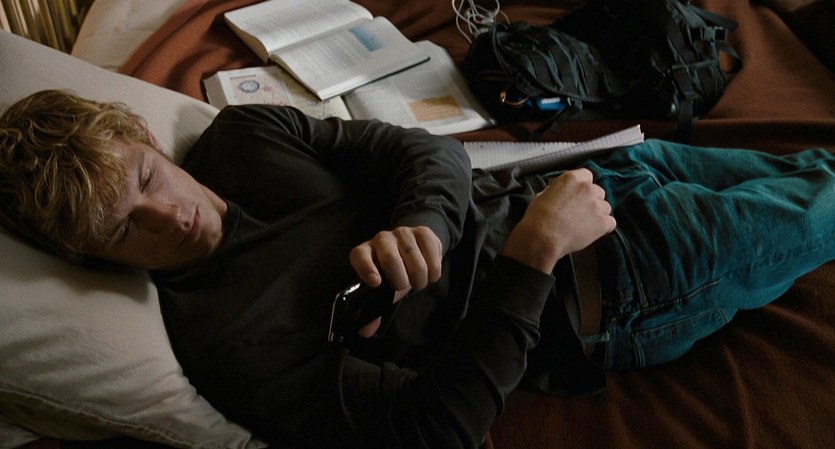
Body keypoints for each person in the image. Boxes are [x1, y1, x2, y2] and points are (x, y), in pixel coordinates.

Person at [2, 89, 835, 448]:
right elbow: (435, 431)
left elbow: (419, 148)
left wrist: (421, 220)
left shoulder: (242, 137)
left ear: (146, 139)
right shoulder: (223, 341)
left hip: (598, 176)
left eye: (147, 180)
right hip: (625, 283)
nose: (166, 216)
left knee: (819, 170)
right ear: (87, 256)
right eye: (125, 229)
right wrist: (532, 253)